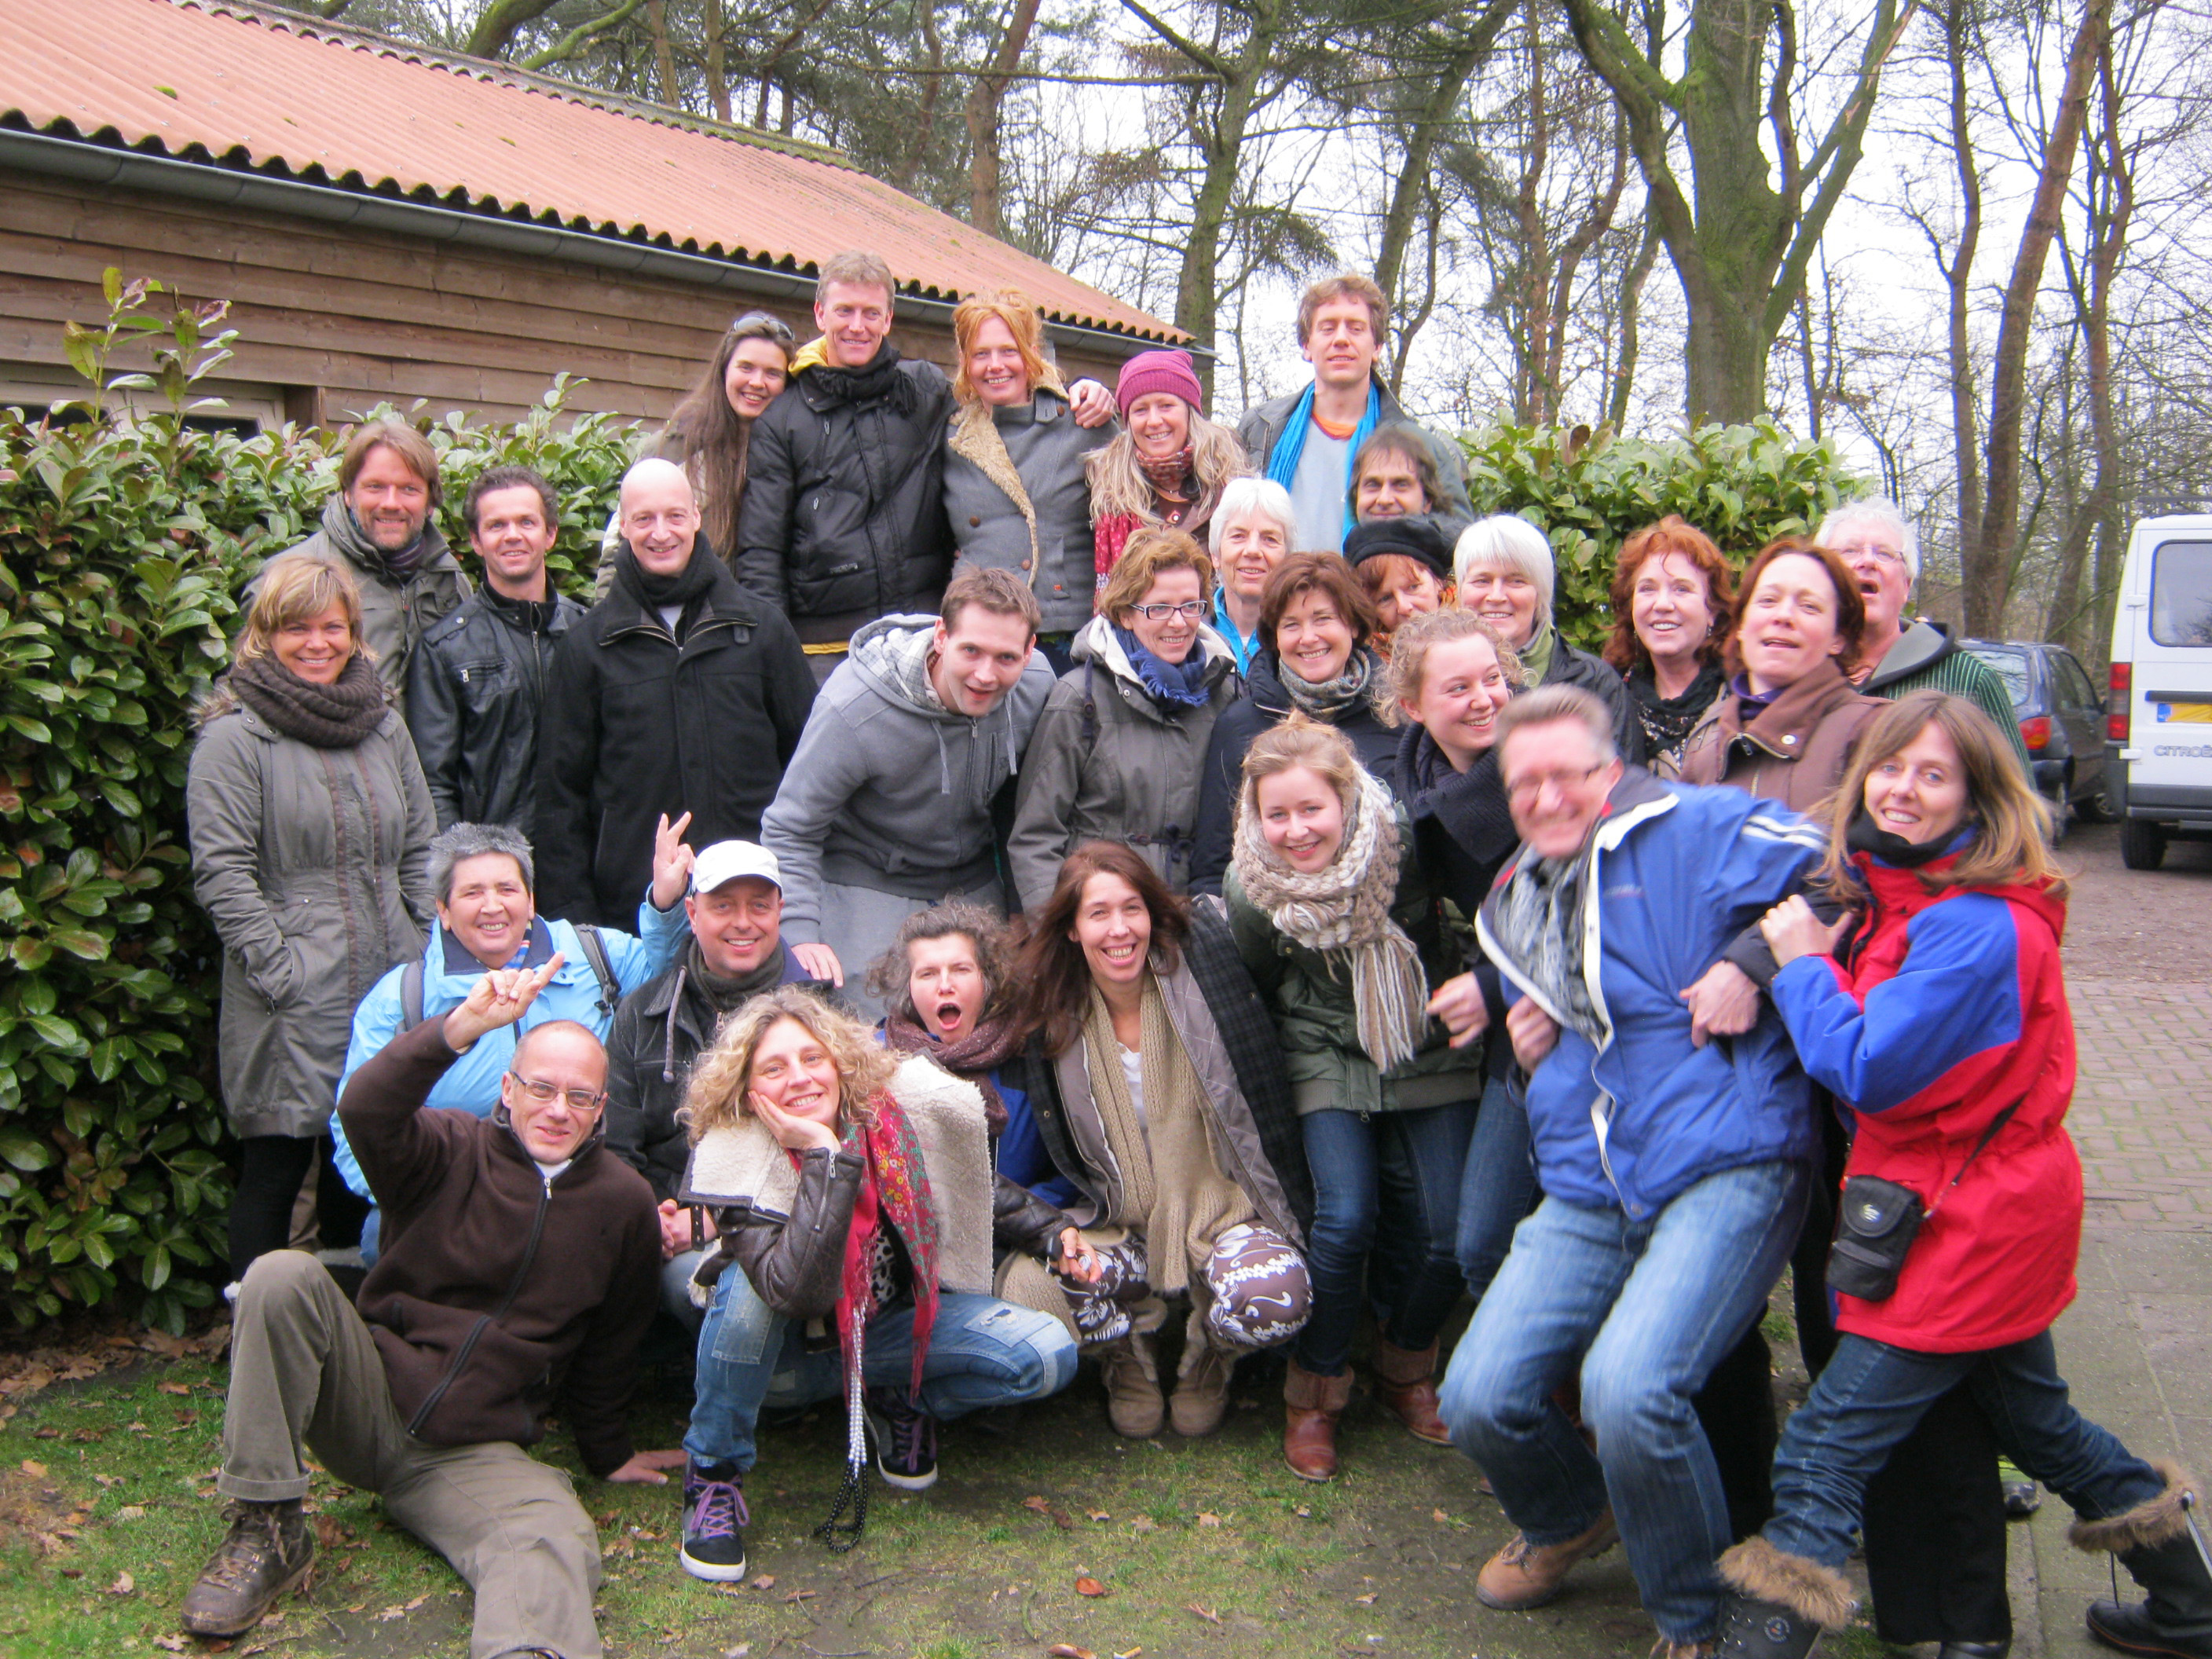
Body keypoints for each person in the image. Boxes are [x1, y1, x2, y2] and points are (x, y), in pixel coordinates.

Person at [1712, 692, 2212, 1659]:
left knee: (1821, 1452)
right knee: (2033, 1420)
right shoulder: (1908, 896)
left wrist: (1801, 966)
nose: (1901, 789)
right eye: (1891, 767)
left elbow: (1872, 1071)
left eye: (1931, 775)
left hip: (1966, 1224)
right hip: (1968, 1204)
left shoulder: (1977, 927)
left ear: (1979, 798)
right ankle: (2190, 1608)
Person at [1435, 684, 1829, 1659]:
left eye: (1563, 775)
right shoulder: (1515, 894)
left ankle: (1693, 1616)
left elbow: (1838, 874)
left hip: (1724, 1160)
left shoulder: (1696, 826)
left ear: (1608, 773)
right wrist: (1517, 1029)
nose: (1543, 797)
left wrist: (1750, 958)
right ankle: (1569, 1514)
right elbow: (1579, 995)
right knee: (1477, 1393)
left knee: (1628, 1386)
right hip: (1588, 1176)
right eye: (1522, 782)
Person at [180, 958, 667, 1651]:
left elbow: (615, 1339)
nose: (559, 1110)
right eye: (542, 1088)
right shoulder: (445, 1147)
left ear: (601, 1111)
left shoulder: (623, 1204)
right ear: (508, 1087)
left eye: (581, 1098)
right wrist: (463, 1026)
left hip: (473, 1452)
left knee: (548, 1537)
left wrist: (608, 1450)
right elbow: (363, 1107)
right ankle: (268, 1526)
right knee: (280, 1276)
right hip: (368, 1397)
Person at [672, 987, 1080, 1578]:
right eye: (775, 1068)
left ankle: (894, 1395)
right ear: (750, 1088)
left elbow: (971, 1184)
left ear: (837, 1060)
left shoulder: (888, 1118)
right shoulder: (736, 1157)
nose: (802, 1078)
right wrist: (823, 1156)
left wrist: (1051, 1232)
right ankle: (713, 1472)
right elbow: (798, 1291)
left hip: (882, 1335)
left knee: (1045, 1355)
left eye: (813, 1058)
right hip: (785, 1364)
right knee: (744, 1294)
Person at [1225, 717, 1481, 1481]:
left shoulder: (1406, 845)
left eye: (1312, 810)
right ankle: (1314, 1392)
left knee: (1447, 1228)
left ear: (1345, 800)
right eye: (1278, 814)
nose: (1296, 830)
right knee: (1344, 1218)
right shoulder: (1250, 885)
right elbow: (1261, 974)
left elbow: (1465, 921)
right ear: (1254, 813)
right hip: (1321, 1044)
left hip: (1419, 1032)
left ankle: (1404, 1363)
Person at [1004, 843, 1314, 1440]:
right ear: (1071, 929)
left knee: (1274, 1296)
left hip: (1221, 1208)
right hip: (1117, 1215)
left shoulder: (1205, 975)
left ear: (1153, 914)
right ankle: (1123, 1354)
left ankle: (1210, 1356)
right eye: (1098, 914)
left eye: (1132, 909)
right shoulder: (1052, 1015)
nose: (1119, 929)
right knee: (1034, 1286)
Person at [187, 555, 436, 1284]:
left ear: (355, 634)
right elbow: (223, 873)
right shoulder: (235, 739)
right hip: (288, 992)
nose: (318, 643)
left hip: (387, 975)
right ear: (265, 635)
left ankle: (347, 1334)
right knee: (278, 1160)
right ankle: (259, 1340)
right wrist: (281, 970)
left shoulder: (382, 726)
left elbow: (420, 846)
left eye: (333, 627)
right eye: (298, 628)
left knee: (358, 1159)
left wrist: (423, 948)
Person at [333, 816, 697, 1265]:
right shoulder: (402, 998)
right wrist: (426, 1189)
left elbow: (665, 979)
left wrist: (665, 902)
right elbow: (354, 1128)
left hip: (583, 1181)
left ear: (530, 900)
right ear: (442, 911)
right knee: (379, 1234)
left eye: (507, 889)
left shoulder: (594, 955)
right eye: (471, 893)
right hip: (455, 1194)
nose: (492, 906)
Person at [735, 252, 1109, 679]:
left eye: (871, 313)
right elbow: (761, 550)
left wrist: (1080, 389)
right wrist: (773, 650)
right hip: (823, 647)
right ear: (820, 313)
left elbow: (1002, 393)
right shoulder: (784, 417)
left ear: (888, 319)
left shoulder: (923, 391)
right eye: (845, 311)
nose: (858, 326)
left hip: (922, 635)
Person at [759, 566, 1055, 1021]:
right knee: (876, 1021)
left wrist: (1027, 911)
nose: (985, 675)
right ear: (941, 636)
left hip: (970, 877)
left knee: (1003, 1011)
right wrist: (800, 934)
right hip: (869, 874)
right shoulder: (854, 708)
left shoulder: (1036, 688)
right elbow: (792, 826)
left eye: (1006, 658)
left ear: (1029, 651)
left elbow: (1025, 813)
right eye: (970, 650)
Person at [536, 458, 815, 928]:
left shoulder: (762, 629)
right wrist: (575, 923)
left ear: (697, 518)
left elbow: (810, 770)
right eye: (643, 519)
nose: (660, 533)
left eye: (675, 516)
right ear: (623, 526)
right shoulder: (588, 646)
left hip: (755, 899)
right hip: (632, 909)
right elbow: (561, 797)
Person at [603, 840, 832, 1326]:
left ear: (780, 912)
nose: (743, 922)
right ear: (691, 911)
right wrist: (657, 1221)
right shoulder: (642, 1014)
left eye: (759, 906)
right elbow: (617, 1149)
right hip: (670, 1227)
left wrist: (718, 1222)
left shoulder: (824, 1015)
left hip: (789, 1223)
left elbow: (848, 1148)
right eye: (723, 906)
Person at [1385, 611, 1535, 1324]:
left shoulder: (1548, 773)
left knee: (1496, 1231)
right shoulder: (1416, 787)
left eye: (1494, 678)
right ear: (1413, 708)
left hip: (1558, 1030)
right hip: (1475, 1037)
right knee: (1479, 1237)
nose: (1486, 698)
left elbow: (1594, 920)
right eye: (1460, 687)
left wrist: (1493, 985)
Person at [869, 903, 1083, 1322]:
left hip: (1019, 1243)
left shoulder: (1031, 1053)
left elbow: (1066, 1170)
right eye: (927, 974)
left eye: (961, 970)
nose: (944, 986)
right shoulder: (878, 1062)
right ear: (907, 987)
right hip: (911, 1267)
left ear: (989, 978)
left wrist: (1019, 1224)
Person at [1006, 529, 1241, 909]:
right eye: (1159, 608)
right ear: (1125, 614)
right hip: (1102, 918)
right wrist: (1062, 932)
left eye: (1191, 605)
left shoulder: (1226, 690)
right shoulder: (1078, 698)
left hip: (1198, 917)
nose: (1179, 623)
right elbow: (1036, 836)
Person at [1190, 552, 1398, 895]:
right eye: (1291, 624)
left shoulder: (1393, 714)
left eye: (1323, 619)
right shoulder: (1242, 724)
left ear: (1354, 625)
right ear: (1274, 637)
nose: (1308, 637)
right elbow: (1213, 866)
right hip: (1270, 932)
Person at [943, 290, 1118, 671]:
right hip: (982, 634)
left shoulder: (1081, 422)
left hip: (1065, 633)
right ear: (964, 362)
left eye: (1009, 350)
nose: (995, 365)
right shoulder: (951, 439)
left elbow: (1126, 520)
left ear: (1031, 351)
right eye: (980, 354)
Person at [1236, 273, 1472, 552]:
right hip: (1276, 594)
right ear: (1306, 346)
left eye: (1356, 328)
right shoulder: (1261, 429)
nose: (1341, 339)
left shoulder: (1424, 446)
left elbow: (1461, 542)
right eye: (1327, 328)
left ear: (1377, 347)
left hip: (1371, 593)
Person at [408, 464, 586, 836]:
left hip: (583, 861)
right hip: (494, 869)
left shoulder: (588, 632)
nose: (512, 536)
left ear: (550, 534)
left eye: (526, 522)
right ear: (476, 540)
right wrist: (460, 866)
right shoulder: (445, 648)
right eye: (496, 525)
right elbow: (434, 784)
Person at [251, 419, 469, 720]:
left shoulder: (450, 580)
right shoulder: (288, 576)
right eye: (375, 487)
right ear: (348, 493)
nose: (391, 503)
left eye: (409, 489)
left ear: (430, 501)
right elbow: (258, 695)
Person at [1820, 497, 2031, 770]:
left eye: (1884, 553)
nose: (1868, 560)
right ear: (1822, 577)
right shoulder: (1796, 673)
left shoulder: (1969, 679)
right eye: (1850, 551)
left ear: (1906, 586)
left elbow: (2018, 805)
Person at [1676, 537, 1881, 814]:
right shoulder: (1707, 736)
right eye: (1768, 600)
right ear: (1741, 625)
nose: (1783, 616)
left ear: (1838, 637)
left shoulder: (1873, 731)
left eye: (1809, 606)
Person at [1453, 513, 1635, 756]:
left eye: (1516, 581)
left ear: (1540, 592)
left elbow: (1624, 782)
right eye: (1482, 581)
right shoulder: (1441, 677)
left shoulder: (1595, 683)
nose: (1496, 596)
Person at [1088, 347, 1251, 582]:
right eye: (1140, 410)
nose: (1154, 421)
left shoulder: (1232, 487)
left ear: (1189, 412)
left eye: (1166, 406)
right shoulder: (1105, 492)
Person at [1602, 515, 1735, 777]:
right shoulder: (1607, 700)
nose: (1662, 604)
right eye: (1648, 589)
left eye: (1682, 589)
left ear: (1713, 610)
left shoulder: (1744, 698)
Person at [1207, 476, 1298, 676]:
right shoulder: (1192, 634)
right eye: (1238, 536)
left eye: (1269, 539)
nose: (1253, 550)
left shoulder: (1304, 642)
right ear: (1216, 555)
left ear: (1287, 558)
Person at [1346, 515, 1456, 656]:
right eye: (1385, 598)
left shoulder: (1480, 635)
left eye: (1413, 587)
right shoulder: (1362, 664)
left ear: (1438, 581)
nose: (1404, 607)